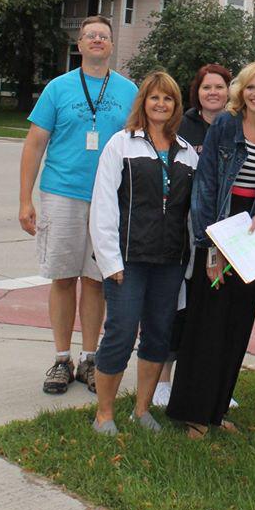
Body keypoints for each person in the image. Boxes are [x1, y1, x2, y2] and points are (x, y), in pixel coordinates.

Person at [18, 16, 137, 395]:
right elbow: (35, 143)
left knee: (96, 280)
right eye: (91, 36)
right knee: (63, 277)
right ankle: (60, 358)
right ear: (80, 44)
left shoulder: (129, 90)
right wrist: (25, 199)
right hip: (62, 193)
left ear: (112, 45)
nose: (97, 40)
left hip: (110, 197)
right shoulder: (58, 88)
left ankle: (89, 358)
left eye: (104, 35)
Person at [167, 60, 255, 438]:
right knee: (207, 326)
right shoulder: (225, 126)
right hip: (219, 230)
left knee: (237, 325)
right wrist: (211, 250)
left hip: (251, 233)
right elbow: (206, 187)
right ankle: (193, 414)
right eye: (251, 87)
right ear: (241, 91)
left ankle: (217, 410)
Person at [89, 71, 198, 435]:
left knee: (158, 334)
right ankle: (104, 414)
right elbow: (103, 205)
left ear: (176, 106)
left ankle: (141, 410)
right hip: (128, 260)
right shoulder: (121, 145)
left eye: (168, 99)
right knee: (120, 332)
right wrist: (109, 261)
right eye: (154, 98)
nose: (161, 104)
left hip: (170, 262)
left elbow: (192, 214)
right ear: (143, 103)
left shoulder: (186, 153)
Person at [152, 63, 232, 408]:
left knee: (213, 312)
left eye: (219, 87)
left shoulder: (235, 126)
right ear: (196, 92)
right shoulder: (182, 125)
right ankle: (163, 382)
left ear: (229, 91)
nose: (212, 92)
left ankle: (206, 382)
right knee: (177, 308)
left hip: (226, 233)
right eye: (205, 87)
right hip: (183, 230)